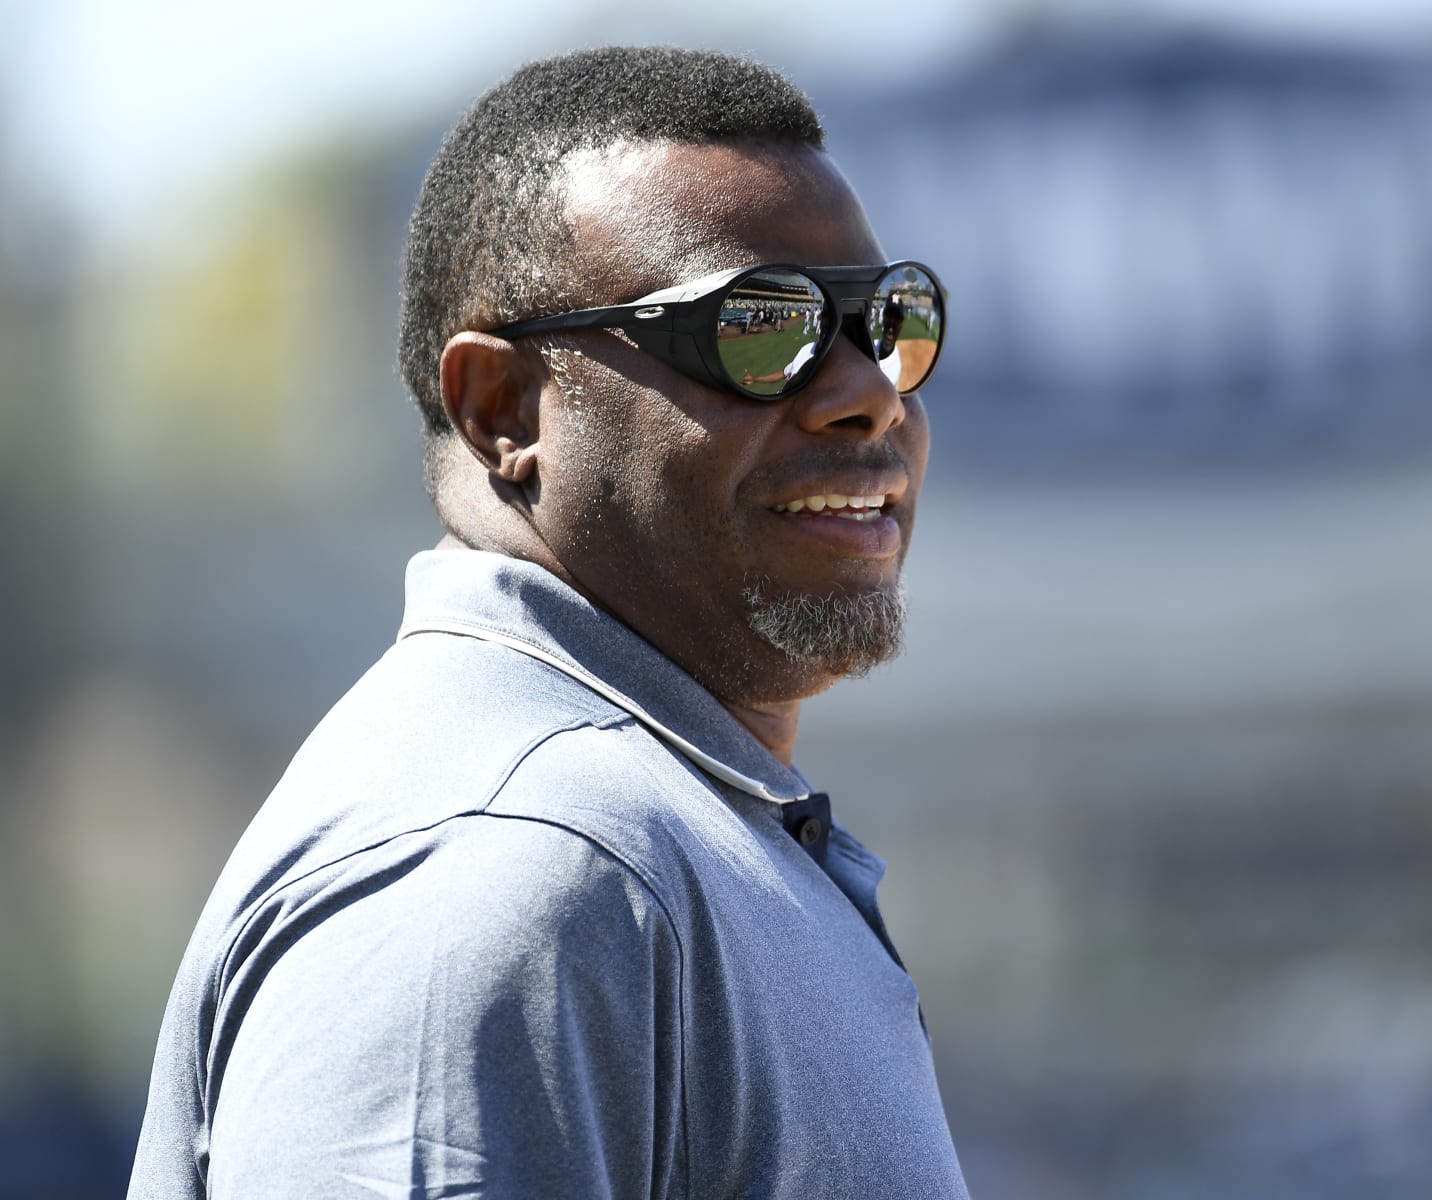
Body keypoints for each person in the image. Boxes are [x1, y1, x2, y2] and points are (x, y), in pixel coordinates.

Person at [126, 47, 964, 1200]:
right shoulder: (510, 862)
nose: (870, 389)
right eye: (760, 328)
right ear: (504, 407)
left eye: (890, 321)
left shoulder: (645, 828)